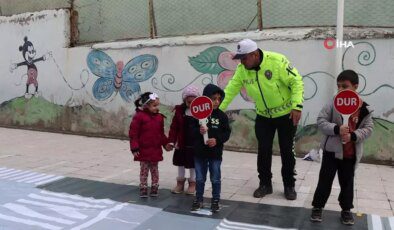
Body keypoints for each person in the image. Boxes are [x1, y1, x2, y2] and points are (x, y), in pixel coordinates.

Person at [219, 39, 304, 200]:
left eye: (244, 58)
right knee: (263, 151)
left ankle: (289, 185)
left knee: (287, 151)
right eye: (240, 59)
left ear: (255, 54)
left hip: (286, 115)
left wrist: (297, 106)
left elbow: (296, 81)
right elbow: (230, 90)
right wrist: (218, 111)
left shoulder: (277, 61)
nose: (242, 62)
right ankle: (265, 184)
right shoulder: (242, 69)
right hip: (263, 116)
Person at [310, 70, 374, 225]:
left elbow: (369, 128)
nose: (340, 89)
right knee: (324, 181)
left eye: (344, 86)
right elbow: (321, 121)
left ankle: (346, 210)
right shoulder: (333, 102)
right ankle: (317, 207)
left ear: (356, 86)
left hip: (350, 154)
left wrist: (353, 136)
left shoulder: (364, 108)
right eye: (338, 86)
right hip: (332, 152)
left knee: (347, 184)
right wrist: (336, 129)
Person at [191, 84, 231, 213]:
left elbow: (226, 133)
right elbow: (191, 131)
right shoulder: (197, 114)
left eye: (219, 99)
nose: (217, 101)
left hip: (215, 154)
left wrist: (217, 140)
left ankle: (215, 200)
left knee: (215, 178)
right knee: (200, 178)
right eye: (214, 98)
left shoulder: (222, 116)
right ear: (206, 98)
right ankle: (199, 199)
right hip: (200, 153)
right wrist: (199, 130)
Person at [129, 92, 170, 198]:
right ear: (146, 105)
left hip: (155, 150)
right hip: (143, 150)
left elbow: (161, 134)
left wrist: (166, 144)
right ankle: (143, 187)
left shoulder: (159, 118)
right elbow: (133, 134)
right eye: (154, 105)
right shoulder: (139, 117)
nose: (157, 108)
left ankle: (155, 186)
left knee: (155, 170)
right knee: (144, 170)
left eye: (158, 105)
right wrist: (134, 147)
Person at [167, 86, 200, 195]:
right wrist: (171, 141)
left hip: (194, 143)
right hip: (181, 143)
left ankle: (193, 183)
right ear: (185, 100)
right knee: (180, 163)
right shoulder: (180, 111)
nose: (191, 104)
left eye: (193, 102)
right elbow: (174, 127)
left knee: (193, 164)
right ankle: (180, 183)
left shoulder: (200, 112)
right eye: (188, 101)